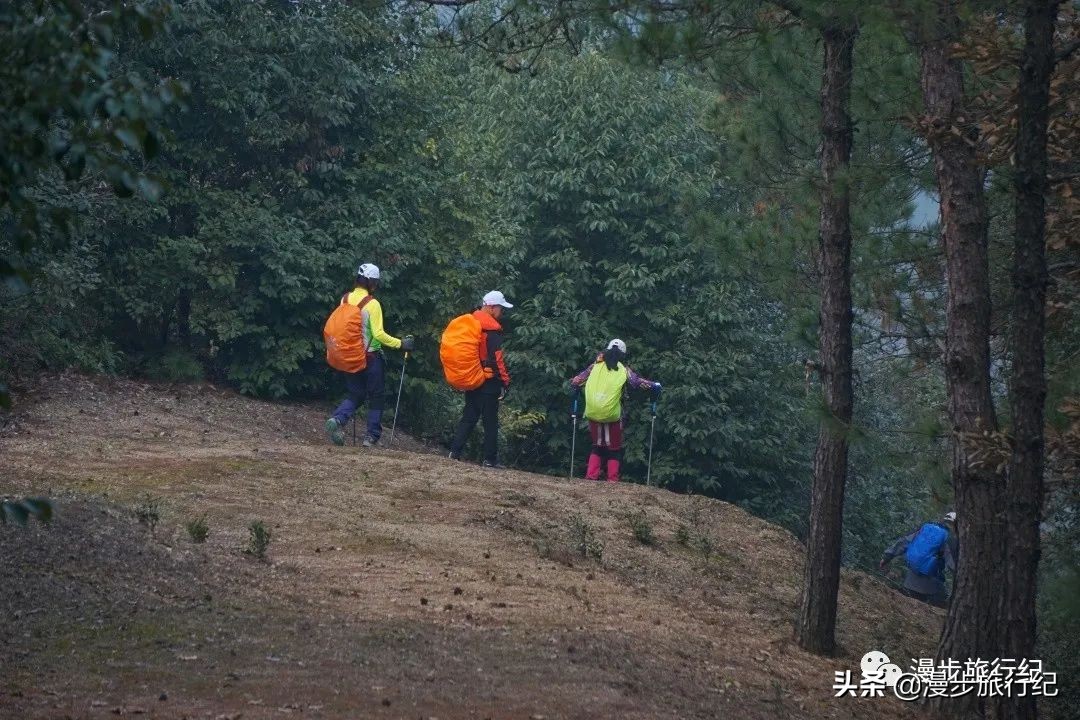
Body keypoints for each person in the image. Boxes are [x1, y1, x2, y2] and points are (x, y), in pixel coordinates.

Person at [324, 263, 414, 447]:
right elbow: (378, 334)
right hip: (370, 357)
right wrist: (401, 344)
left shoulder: (345, 299)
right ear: (373, 283)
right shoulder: (372, 304)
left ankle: (338, 419)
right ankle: (371, 436)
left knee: (355, 393)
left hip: (348, 356)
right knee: (376, 396)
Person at [568, 339, 660, 482]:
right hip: (613, 415)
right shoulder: (624, 370)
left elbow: (576, 381)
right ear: (622, 355)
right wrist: (654, 385)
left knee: (597, 445)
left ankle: (591, 476)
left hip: (593, 412)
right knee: (614, 448)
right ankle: (612, 480)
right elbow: (637, 383)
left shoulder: (594, 367)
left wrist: (575, 385)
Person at [447, 291, 513, 467]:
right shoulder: (492, 331)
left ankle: (454, 452)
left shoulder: (471, 323)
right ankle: (489, 459)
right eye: (501, 308)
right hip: (489, 381)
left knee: (469, 417)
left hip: (472, 376)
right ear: (492, 307)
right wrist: (505, 382)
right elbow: (497, 358)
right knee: (490, 421)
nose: (502, 313)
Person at [879, 511, 958, 608]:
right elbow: (954, 565)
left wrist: (887, 557)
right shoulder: (948, 538)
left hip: (910, 580)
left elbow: (904, 542)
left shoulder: (925, 528)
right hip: (930, 586)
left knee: (906, 608)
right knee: (944, 607)